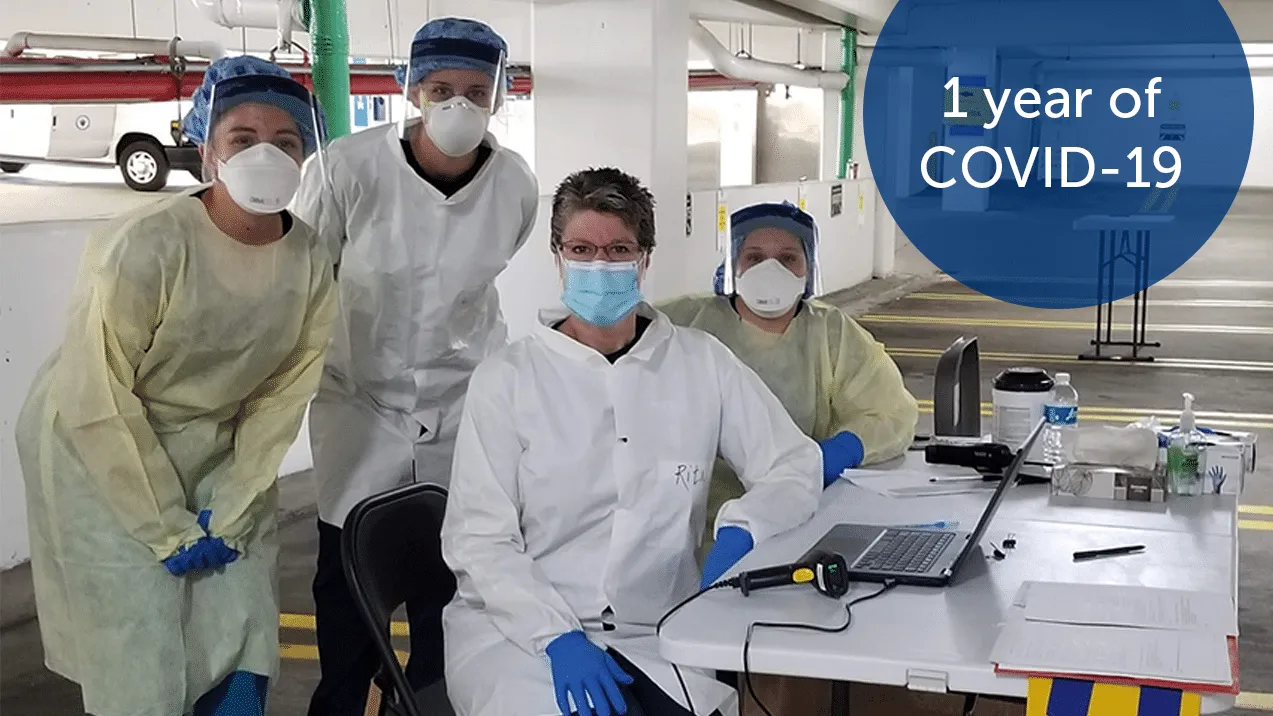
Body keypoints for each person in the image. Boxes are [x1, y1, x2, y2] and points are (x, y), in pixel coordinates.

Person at [13, 55, 335, 716]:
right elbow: (98, 393)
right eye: (243, 138)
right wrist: (162, 525)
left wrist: (237, 496)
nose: (266, 155)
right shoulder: (146, 246)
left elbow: (283, 393)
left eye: (286, 141)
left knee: (242, 620)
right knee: (141, 645)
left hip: (216, 444)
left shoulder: (307, 256)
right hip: (98, 450)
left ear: (307, 154)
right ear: (207, 149)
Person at [440, 168, 823, 716]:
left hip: (656, 628)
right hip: (519, 634)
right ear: (558, 256)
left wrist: (746, 527)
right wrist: (556, 637)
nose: (599, 265)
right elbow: (480, 538)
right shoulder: (507, 378)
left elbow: (793, 463)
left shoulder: (700, 362)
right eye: (582, 249)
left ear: (645, 259)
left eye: (618, 249)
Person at [290, 16, 540, 716]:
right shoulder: (346, 168)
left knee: (450, 588)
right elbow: (305, 276)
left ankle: (427, 701)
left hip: (463, 408)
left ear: (499, 96)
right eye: (440, 89)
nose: (459, 105)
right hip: (359, 403)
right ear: (411, 90)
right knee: (349, 590)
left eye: (476, 91)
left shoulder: (514, 185)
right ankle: (344, 701)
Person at [659, 201, 918, 550]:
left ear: (808, 267)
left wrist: (838, 452)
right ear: (733, 264)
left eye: (787, 258)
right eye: (754, 257)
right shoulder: (683, 322)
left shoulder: (832, 334)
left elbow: (892, 413)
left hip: (796, 520)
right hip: (690, 528)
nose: (770, 270)